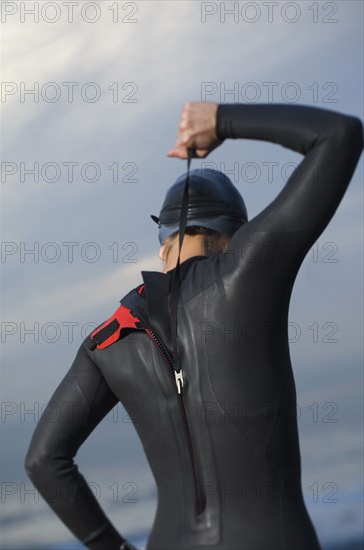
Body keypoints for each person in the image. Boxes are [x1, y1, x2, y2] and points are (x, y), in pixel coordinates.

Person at [25, 102, 363, 550]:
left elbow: (43, 461)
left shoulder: (107, 340)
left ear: (163, 240)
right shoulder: (248, 273)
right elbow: (340, 135)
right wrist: (221, 120)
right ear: (233, 235)